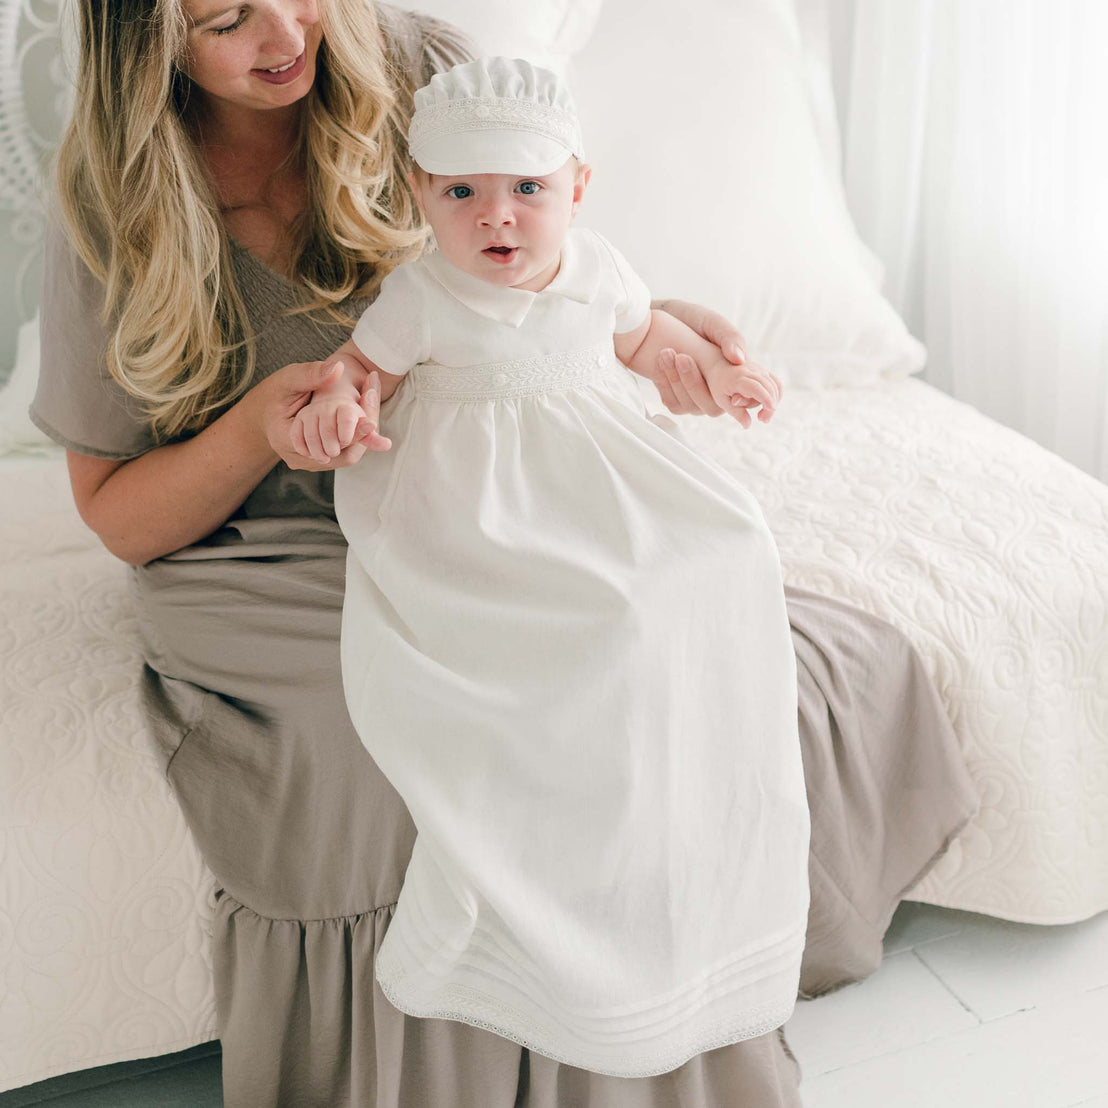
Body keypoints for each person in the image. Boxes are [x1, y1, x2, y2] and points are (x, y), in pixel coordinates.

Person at [30, 1, 979, 1105]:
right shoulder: (119, 204)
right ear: (145, 41)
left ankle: (649, 1046)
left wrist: (642, 330)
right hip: (249, 533)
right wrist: (258, 428)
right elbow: (121, 517)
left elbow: (534, 267)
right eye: (226, 18)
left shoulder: (427, 72)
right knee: (378, 745)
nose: (285, 33)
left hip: (464, 494)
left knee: (653, 648)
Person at [291, 55, 811, 1079]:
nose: (498, 218)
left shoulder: (600, 270)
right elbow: (363, 370)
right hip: (477, 494)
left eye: (527, 189)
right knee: (568, 615)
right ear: (421, 196)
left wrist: (707, 372)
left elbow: (647, 343)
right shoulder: (422, 295)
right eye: (462, 194)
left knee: (722, 549)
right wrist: (340, 407)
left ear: (575, 190)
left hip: (593, 465)